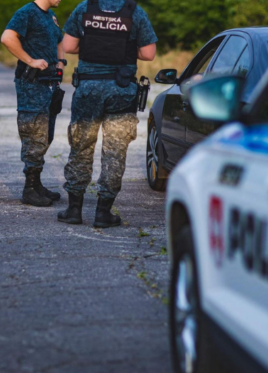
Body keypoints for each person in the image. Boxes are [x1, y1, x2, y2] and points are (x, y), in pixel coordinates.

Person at [57, 0, 157, 227]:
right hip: (121, 91)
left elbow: (69, 46)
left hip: (88, 90)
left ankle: (74, 210)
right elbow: (149, 53)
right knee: (115, 152)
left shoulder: (84, 8)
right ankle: (103, 213)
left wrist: (94, 46)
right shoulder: (134, 12)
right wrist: (122, 49)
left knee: (81, 147)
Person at [1, 0, 66, 207]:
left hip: (49, 84)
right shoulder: (27, 12)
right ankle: (29, 189)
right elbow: (7, 38)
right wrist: (31, 61)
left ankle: (37, 184)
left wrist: (61, 62)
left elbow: (59, 41)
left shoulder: (50, 16)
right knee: (34, 136)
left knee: (46, 135)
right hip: (32, 85)